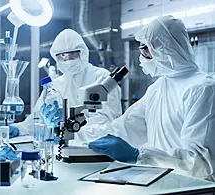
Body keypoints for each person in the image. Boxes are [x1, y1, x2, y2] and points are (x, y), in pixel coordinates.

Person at [88, 16, 215, 181]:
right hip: (158, 181)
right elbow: (124, 128)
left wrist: (139, 156)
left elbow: (201, 163)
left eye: (145, 50)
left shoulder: (202, 89)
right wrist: (76, 135)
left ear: (165, 50)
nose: (142, 57)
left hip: (193, 187)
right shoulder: (157, 88)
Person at [9, 29, 122, 141]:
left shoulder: (101, 77)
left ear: (82, 53)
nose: (68, 59)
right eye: (62, 56)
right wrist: (19, 129)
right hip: (65, 148)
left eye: (72, 54)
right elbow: (37, 119)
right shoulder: (55, 85)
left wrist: (67, 126)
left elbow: (106, 119)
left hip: (99, 147)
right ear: (55, 57)